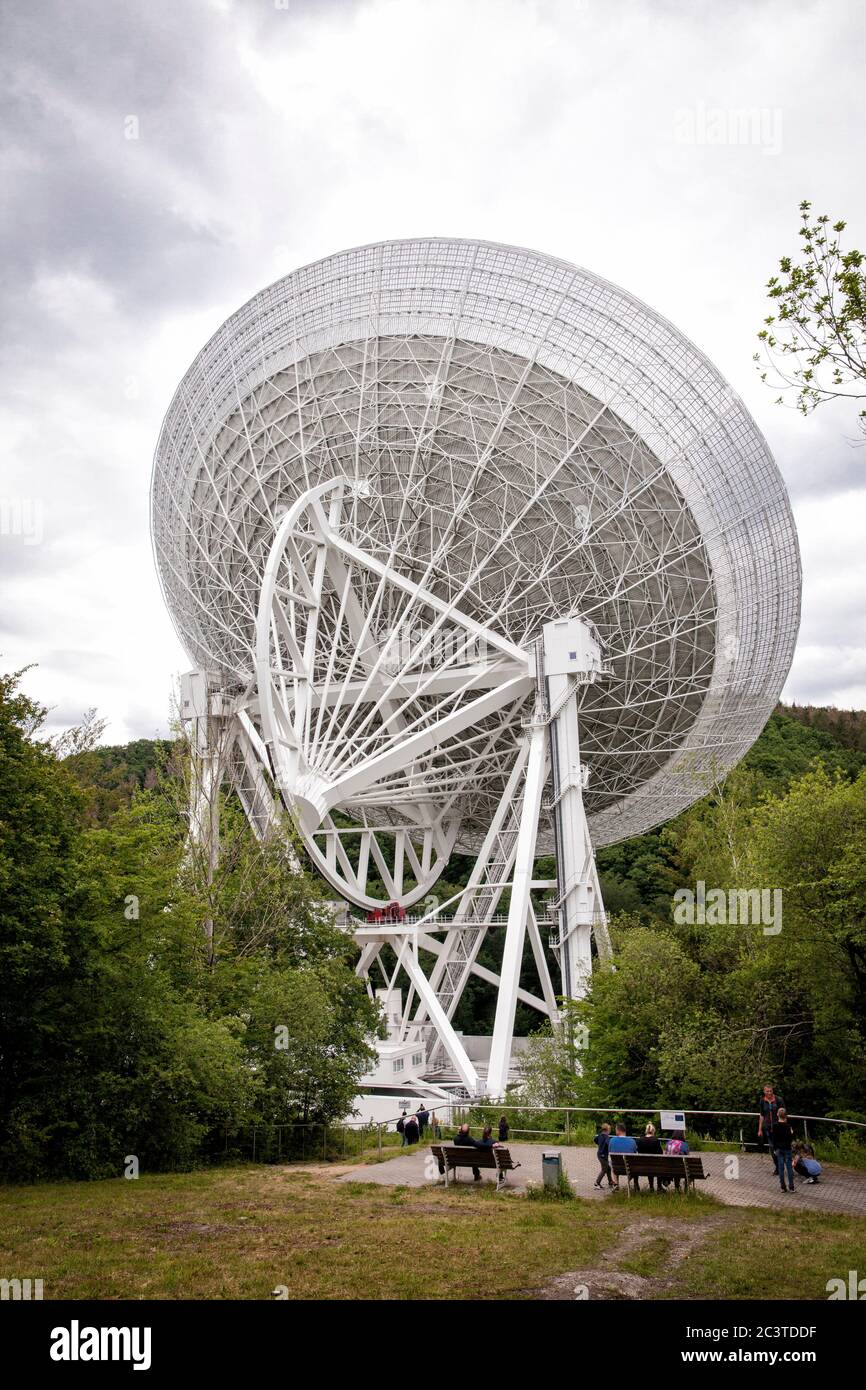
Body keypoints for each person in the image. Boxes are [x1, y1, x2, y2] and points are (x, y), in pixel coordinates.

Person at [758, 1084, 785, 1174]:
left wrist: (785, 1127)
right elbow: (762, 1115)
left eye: (771, 1091)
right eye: (767, 1091)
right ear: (764, 1092)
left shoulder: (779, 1100)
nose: (769, 1093)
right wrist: (760, 1129)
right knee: (772, 1148)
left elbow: (784, 1115)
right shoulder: (762, 1101)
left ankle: (782, 1165)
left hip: (778, 1128)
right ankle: (778, 1167)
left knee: (780, 1148)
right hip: (768, 1128)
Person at [608, 1123, 638, 1191]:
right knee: (635, 1161)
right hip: (630, 1168)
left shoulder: (612, 1140)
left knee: (611, 1161)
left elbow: (609, 1152)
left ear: (618, 1130)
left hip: (617, 1168)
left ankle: (616, 1183)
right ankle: (635, 1184)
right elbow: (635, 1153)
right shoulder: (632, 1141)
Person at [772, 1108, 796, 1193]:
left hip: (779, 1148)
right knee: (789, 1168)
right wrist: (791, 1133)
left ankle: (783, 1187)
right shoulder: (788, 1126)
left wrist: (774, 1149)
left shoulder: (775, 1126)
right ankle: (791, 1187)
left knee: (781, 1168)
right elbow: (789, 1139)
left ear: (777, 1114)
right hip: (787, 1149)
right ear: (785, 1116)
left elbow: (774, 1139)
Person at [636, 1121, 663, 1191]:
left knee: (649, 1163)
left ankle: (651, 1186)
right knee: (657, 1164)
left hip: (643, 1166)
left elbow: (638, 1152)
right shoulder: (656, 1140)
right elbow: (661, 1153)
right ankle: (659, 1186)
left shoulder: (639, 1140)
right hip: (655, 1166)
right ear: (653, 1131)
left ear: (646, 1131)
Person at [594, 1123, 613, 1189]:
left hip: (599, 1154)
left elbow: (595, 1140)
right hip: (603, 1155)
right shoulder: (606, 1137)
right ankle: (597, 1182)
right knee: (604, 1169)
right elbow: (608, 1143)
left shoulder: (599, 1135)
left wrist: (600, 1144)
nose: (609, 1131)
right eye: (609, 1130)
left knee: (608, 1168)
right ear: (607, 1130)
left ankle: (610, 1181)